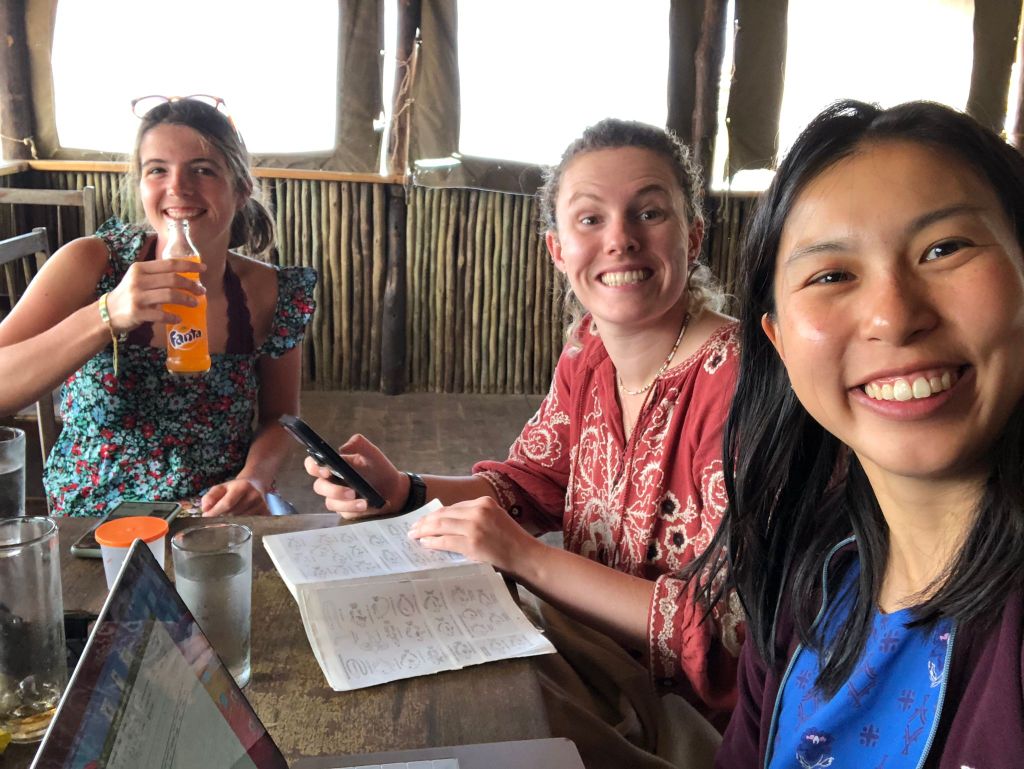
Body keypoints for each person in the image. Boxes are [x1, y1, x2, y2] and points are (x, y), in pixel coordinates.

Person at [307, 118, 743, 768]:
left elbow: (722, 632)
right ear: (558, 250)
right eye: (590, 219)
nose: (620, 239)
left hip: (694, 724)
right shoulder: (589, 350)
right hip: (595, 668)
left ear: (694, 235)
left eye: (649, 212)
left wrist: (527, 559)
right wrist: (403, 489)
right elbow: (529, 483)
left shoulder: (742, 385)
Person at [711, 100, 1024, 767]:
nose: (894, 316)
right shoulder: (808, 574)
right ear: (780, 342)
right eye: (831, 275)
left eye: (945, 249)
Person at [0, 96, 316, 516]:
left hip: (214, 514)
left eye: (202, 170)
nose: (178, 188)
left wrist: (254, 479)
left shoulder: (274, 292)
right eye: (157, 170)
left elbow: (281, 415)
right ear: (141, 185)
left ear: (241, 189)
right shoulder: (91, 263)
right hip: (97, 519)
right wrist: (106, 315)